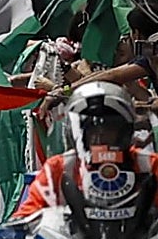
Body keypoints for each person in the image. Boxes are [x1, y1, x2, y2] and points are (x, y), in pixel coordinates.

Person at [14, 81, 157, 218]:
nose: (100, 135)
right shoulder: (60, 168)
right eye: (92, 129)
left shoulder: (150, 165)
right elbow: (27, 214)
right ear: (78, 132)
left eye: (109, 127)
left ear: (124, 130)